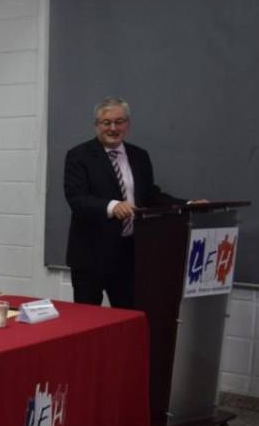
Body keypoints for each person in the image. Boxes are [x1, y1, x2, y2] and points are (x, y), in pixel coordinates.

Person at [64, 97, 195, 309]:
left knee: (130, 317)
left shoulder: (139, 156)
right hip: (90, 256)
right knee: (88, 319)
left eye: (119, 122)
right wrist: (112, 206)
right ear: (97, 125)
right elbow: (77, 199)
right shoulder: (78, 156)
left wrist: (188, 204)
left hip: (129, 254)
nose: (113, 128)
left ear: (128, 124)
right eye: (106, 122)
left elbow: (150, 196)